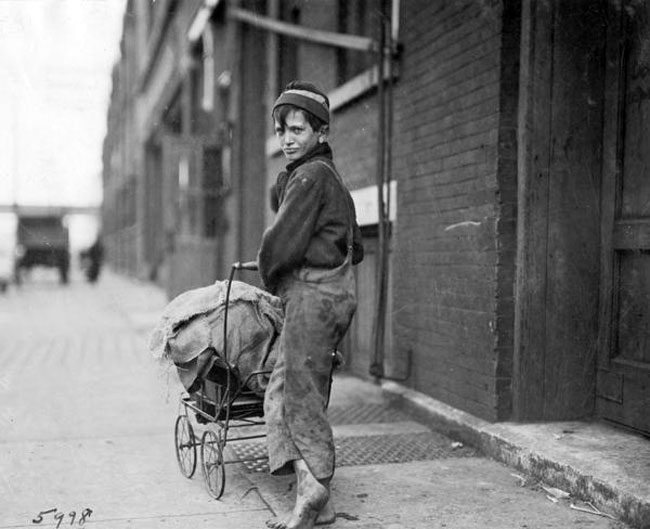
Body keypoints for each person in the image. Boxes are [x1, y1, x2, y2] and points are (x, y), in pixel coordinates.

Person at [258, 81, 364, 529]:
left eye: (298, 129)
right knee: (301, 391)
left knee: (290, 398)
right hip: (337, 291)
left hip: (311, 294)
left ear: (321, 133)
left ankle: (312, 486)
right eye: (282, 130)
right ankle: (322, 505)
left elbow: (279, 244)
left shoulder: (309, 176)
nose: (287, 139)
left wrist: (269, 276)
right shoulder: (327, 176)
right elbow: (354, 247)